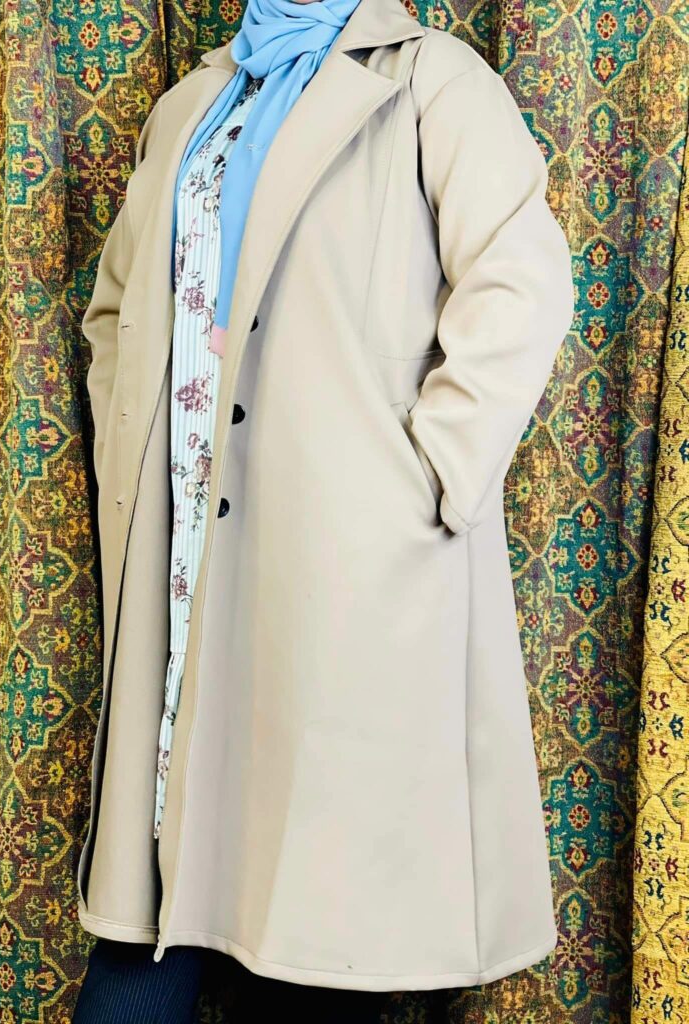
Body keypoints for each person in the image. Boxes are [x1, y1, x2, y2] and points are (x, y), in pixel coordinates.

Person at [73, 0, 576, 1016]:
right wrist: (133, 448)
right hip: (186, 559)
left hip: (343, 570)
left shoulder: (434, 83)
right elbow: (118, 306)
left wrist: (422, 476)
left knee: (308, 949)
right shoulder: (196, 103)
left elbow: (522, 284)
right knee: (150, 937)